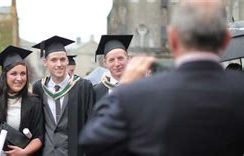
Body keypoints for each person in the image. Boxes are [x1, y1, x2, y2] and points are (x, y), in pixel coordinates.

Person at [80, 0, 244, 155]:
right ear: (226, 40)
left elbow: (93, 141)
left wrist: (121, 89)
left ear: (172, 38)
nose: (116, 63)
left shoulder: (141, 92)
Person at [31, 36, 95, 156]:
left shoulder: (83, 87)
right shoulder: (39, 87)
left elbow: (91, 123)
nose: (59, 64)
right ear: (45, 62)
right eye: (54, 60)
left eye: (62, 59)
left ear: (67, 60)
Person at [0, 45, 44, 155]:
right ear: (5, 76)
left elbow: (39, 136)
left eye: (23, 73)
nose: (19, 78)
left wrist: (24, 152)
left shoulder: (33, 102)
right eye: (14, 73)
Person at [93, 35, 133, 102]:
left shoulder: (140, 86)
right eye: (111, 60)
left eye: (120, 58)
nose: (117, 64)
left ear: (128, 59)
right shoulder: (96, 91)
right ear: (105, 62)